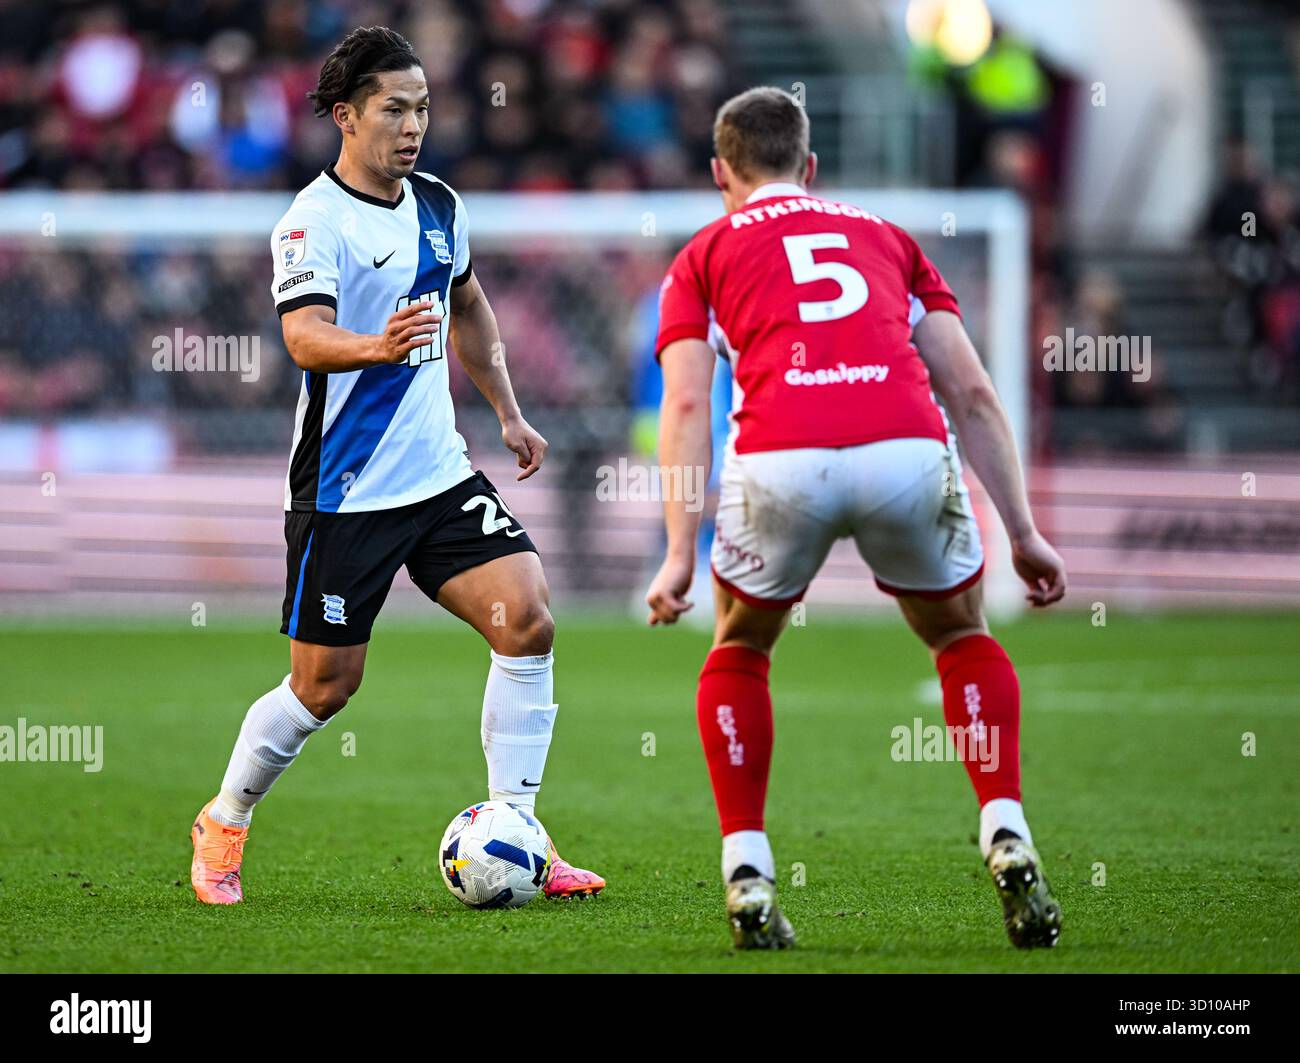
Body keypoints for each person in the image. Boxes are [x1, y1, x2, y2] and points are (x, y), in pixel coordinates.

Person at [189, 25, 604, 906]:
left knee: (527, 623)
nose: (413, 126)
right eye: (394, 109)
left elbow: (472, 308)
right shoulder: (312, 220)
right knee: (324, 688)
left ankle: (519, 832)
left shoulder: (442, 206)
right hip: (345, 493)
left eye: (422, 108)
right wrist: (375, 347)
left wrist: (509, 412)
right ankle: (224, 817)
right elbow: (302, 336)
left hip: (441, 478)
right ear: (346, 115)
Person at [646, 86, 1065, 949]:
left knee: (740, 647)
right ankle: (1005, 826)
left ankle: (748, 869)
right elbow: (974, 390)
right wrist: (1022, 531)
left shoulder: (701, 256)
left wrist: (677, 551)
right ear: (811, 167)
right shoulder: (885, 237)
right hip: (905, 448)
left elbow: (686, 403)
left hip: (779, 460)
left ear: (720, 172)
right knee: (959, 636)